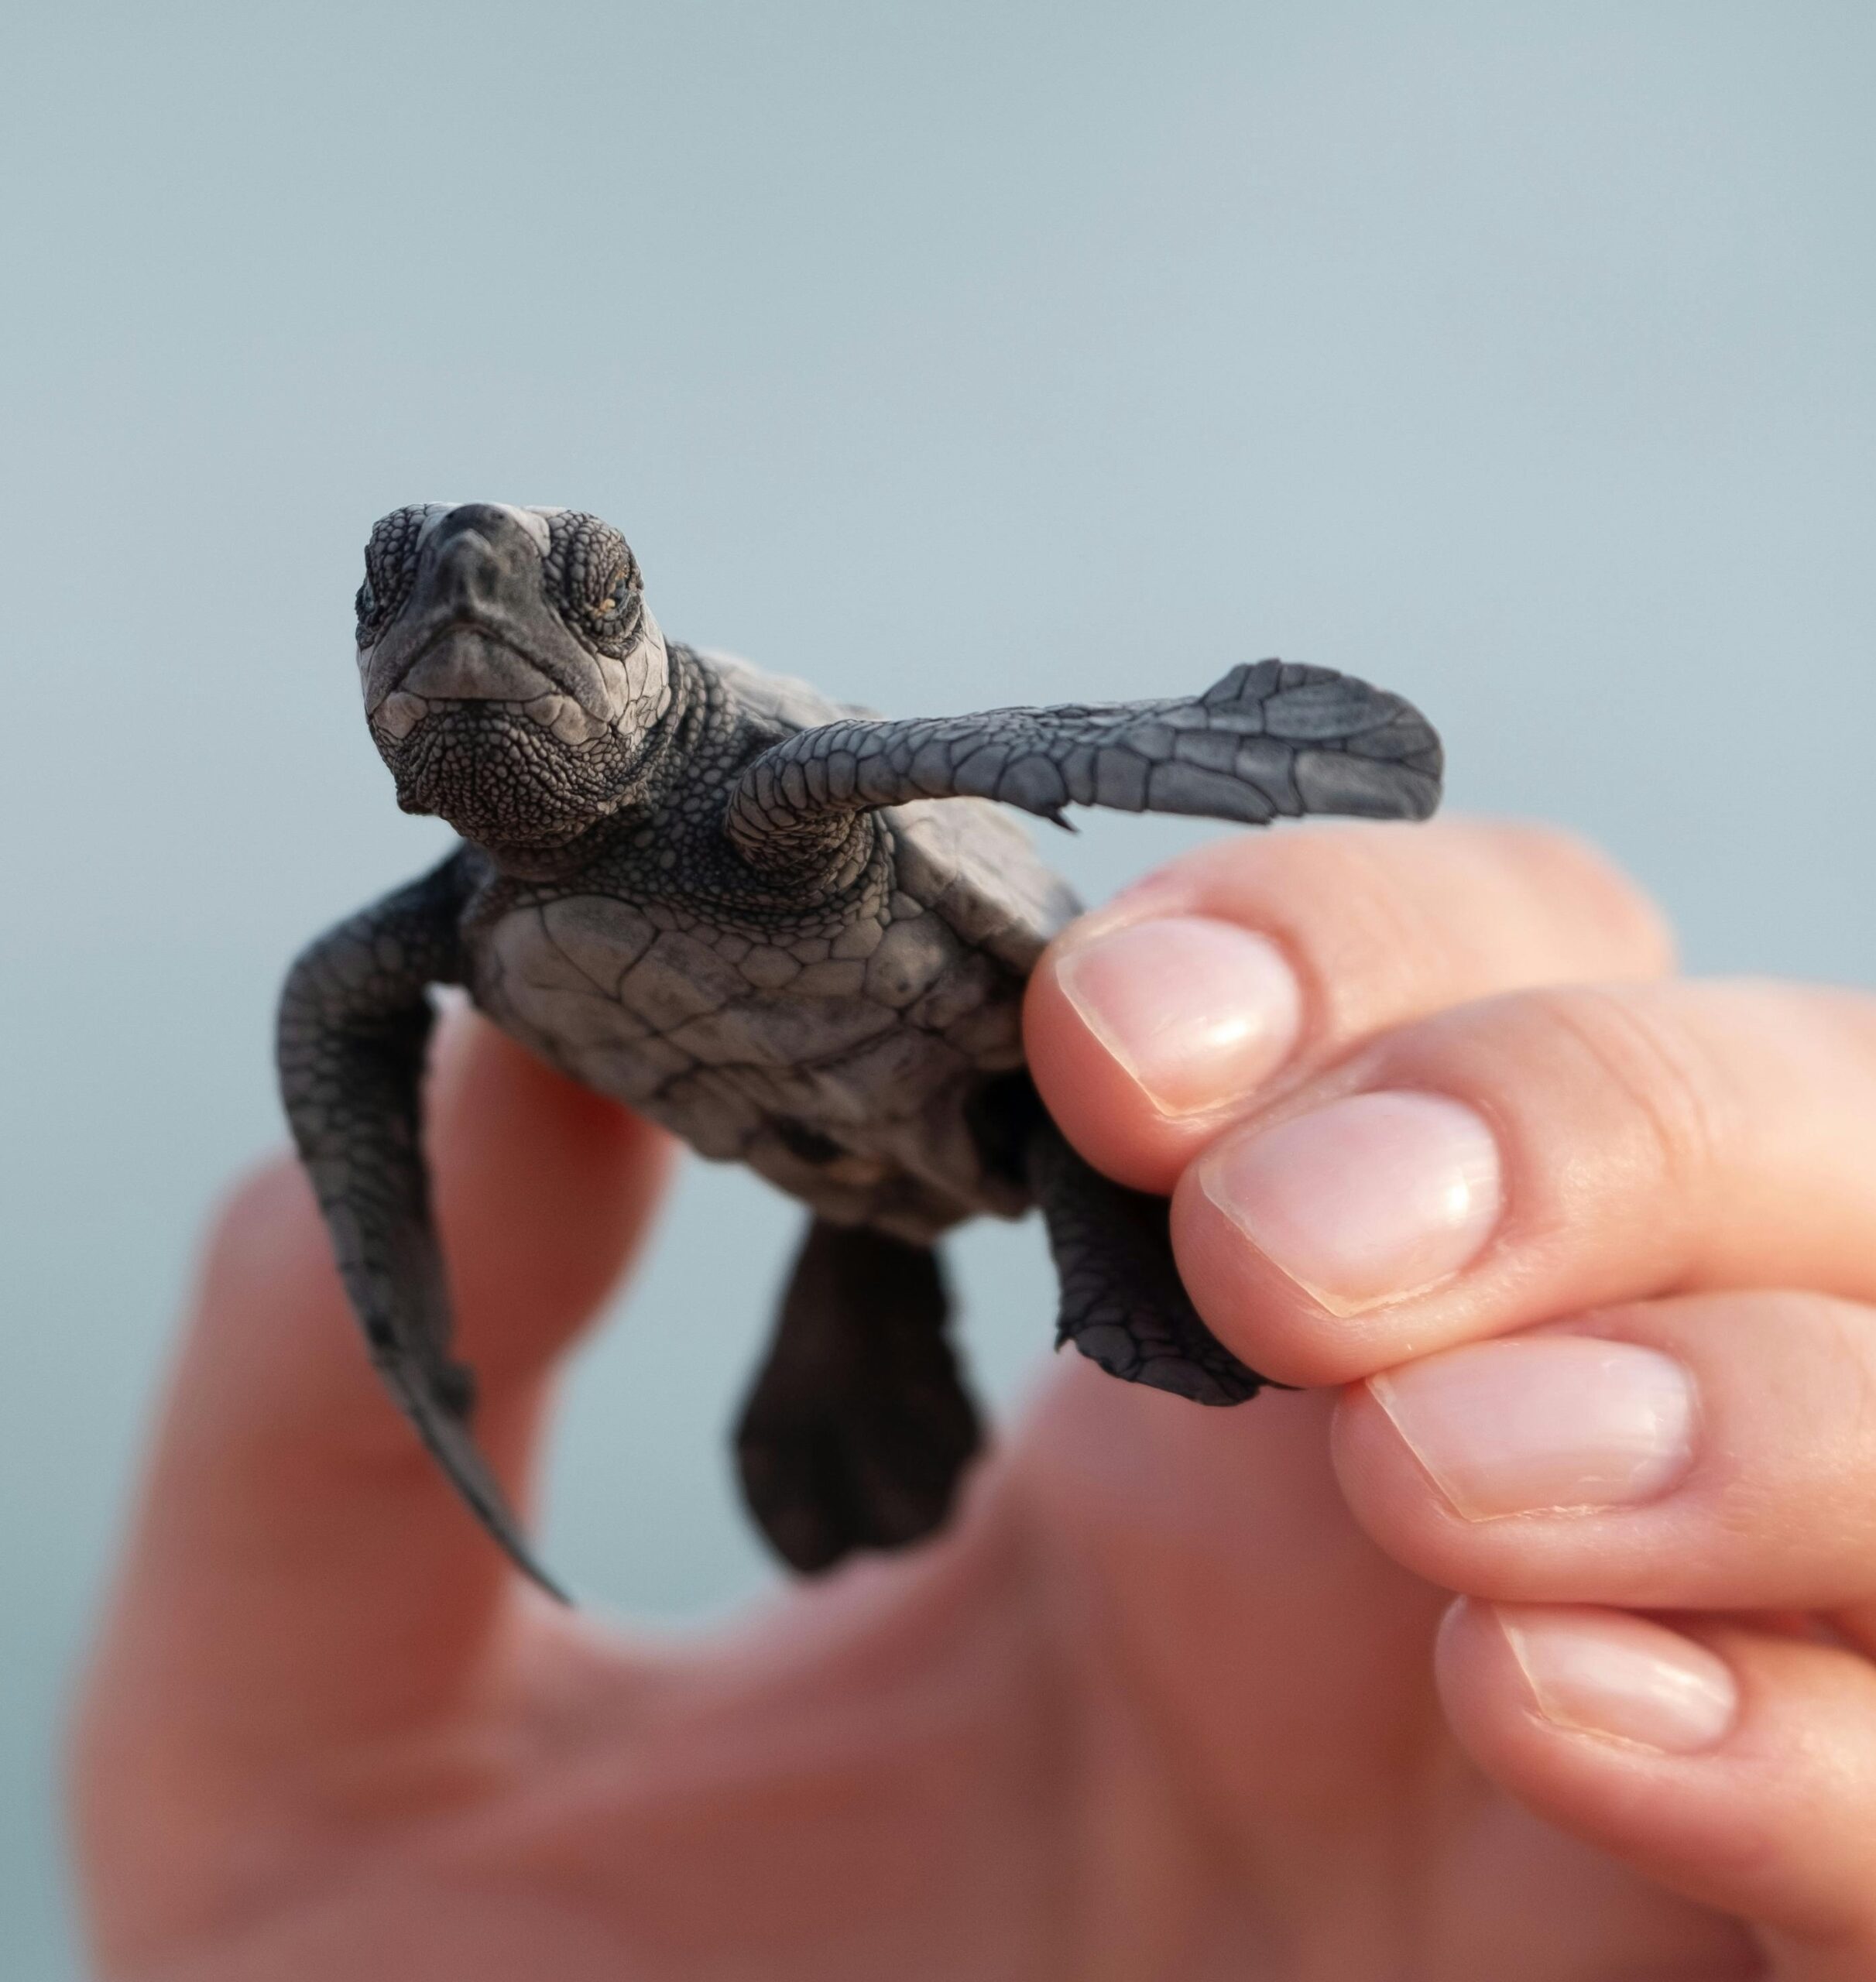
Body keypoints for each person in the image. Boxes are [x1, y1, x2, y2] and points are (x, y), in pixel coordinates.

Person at [71, 820, 1876, 1980]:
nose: (465, 622)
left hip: (1029, 1100)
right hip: (863, 1188)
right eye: (397, 599)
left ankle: (1214, 1232)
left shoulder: (761, 786)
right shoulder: (396, 953)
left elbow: (1010, 778)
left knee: (1208, 1124)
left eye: (570, 592)